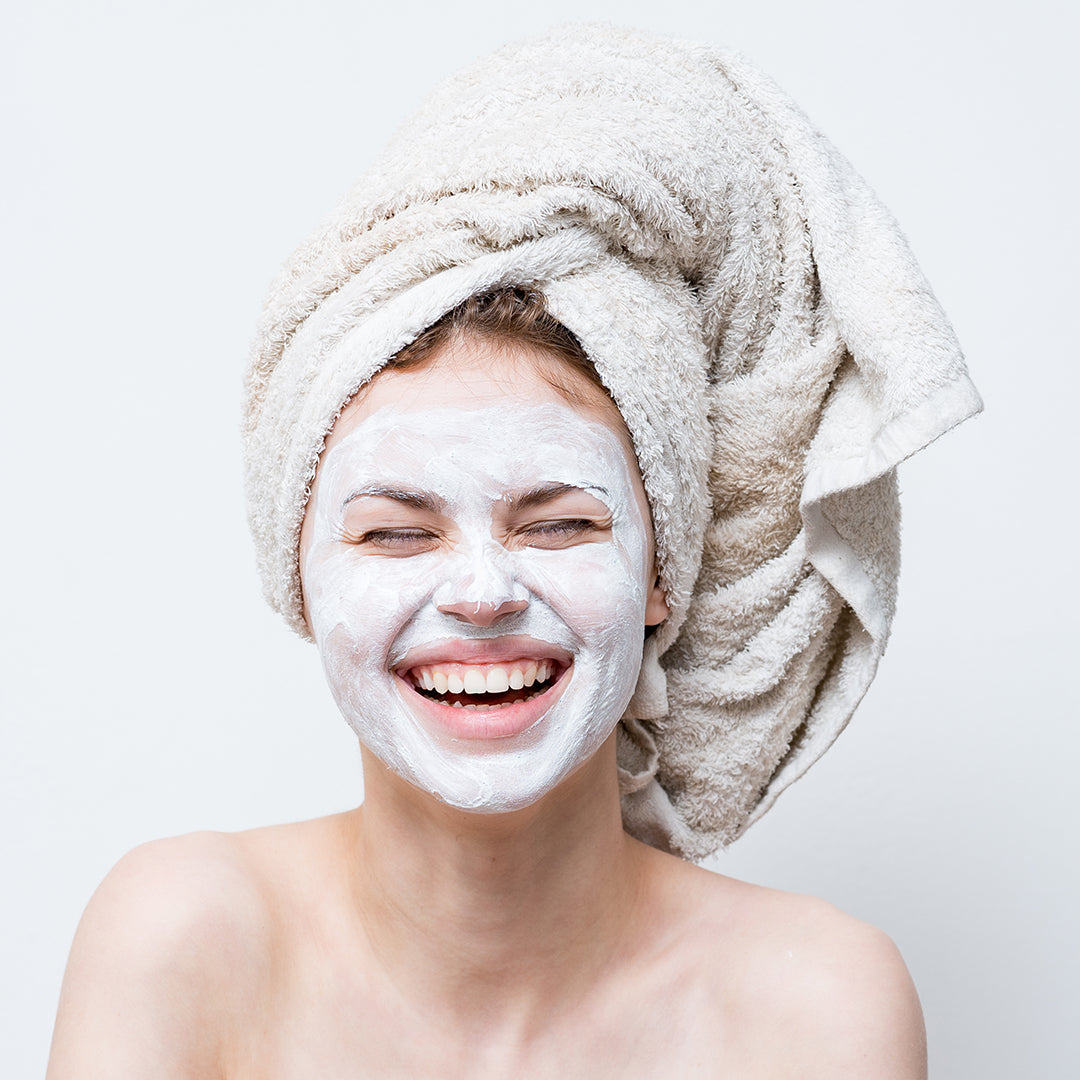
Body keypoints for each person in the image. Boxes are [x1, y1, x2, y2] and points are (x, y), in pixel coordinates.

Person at [48, 24, 979, 1078]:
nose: (483, 591)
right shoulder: (183, 942)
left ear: (664, 568)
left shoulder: (815, 1004)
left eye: (560, 524)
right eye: (397, 532)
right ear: (301, 574)